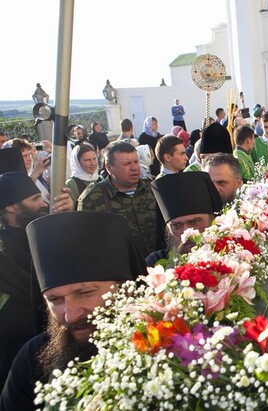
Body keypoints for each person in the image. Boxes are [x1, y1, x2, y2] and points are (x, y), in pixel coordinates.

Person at [0, 211, 144, 410]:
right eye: (55, 299)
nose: (71, 315)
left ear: (125, 289)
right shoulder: (31, 358)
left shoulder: (167, 343)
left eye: (84, 292)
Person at [0, 163, 74, 392]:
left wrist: (68, 219)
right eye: (35, 199)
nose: (43, 204)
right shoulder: (3, 250)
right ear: (12, 206)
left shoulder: (45, 229)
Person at [78, 141, 159, 258]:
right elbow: (87, 245)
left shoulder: (153, 189)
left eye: (136, 161)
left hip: (160, 264)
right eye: (127, 163)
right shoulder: (92, 199)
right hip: (120, 266)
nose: (134, 168)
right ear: (109, 168)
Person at [146, 172, 223, 267]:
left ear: (213, 220)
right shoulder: (156, 262)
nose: (186, 233)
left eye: (194, 222)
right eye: (176, 225)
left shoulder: (233, 254)